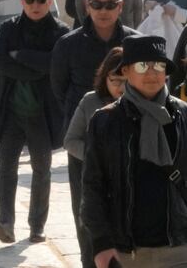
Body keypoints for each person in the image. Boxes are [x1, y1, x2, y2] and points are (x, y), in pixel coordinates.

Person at [79, 35, 187, 268]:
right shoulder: (106, 120)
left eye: (159, 65)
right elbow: (92, 187)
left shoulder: (185, 114)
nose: (152, 73)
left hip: (181, 246)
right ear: (127, 71)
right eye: (142, 66)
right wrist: (101, 243)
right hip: (127, 251)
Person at [0, 0, 67, 244]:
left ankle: (37, 225)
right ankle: (5, 221)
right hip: (11, 110)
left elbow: (56, 64)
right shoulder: (8, 28)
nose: (35, 5)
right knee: (7, 168)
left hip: (42, 112)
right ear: (22, 2)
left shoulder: (60, 32)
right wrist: (34, 65)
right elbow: (2, 62)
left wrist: (23, 56)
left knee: (42, 169)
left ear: (50, 1)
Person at [62, 49, 125, 261]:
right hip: (93, 185)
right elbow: (70, 141)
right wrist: (96, 157)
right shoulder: (90, 101)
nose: (120, 87)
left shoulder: (142, 104)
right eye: (115, 80)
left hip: (127, 190)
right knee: (91, 245)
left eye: (126, 81)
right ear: (105, 76)